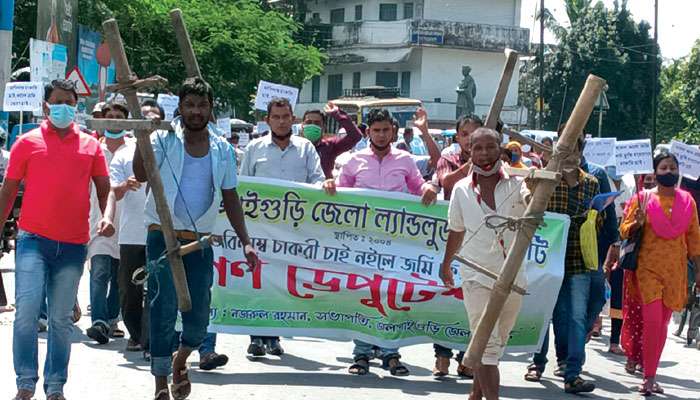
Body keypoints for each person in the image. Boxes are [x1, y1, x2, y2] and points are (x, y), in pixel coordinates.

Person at [129, 77, 258, 400]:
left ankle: (181, 360)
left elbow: (230, 197)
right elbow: (142, 174)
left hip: (200, 240)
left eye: (202, 105)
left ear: (210, 109)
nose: (196, 111)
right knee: (162, 306)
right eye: (190, 105)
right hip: (163, 233)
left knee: (199, 312)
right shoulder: (162, 139)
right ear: (181, 108)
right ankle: (160, 379)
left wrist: (246, 241)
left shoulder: (222, 148)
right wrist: (141, 137)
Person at [0, 79, 113, 400]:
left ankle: (55, 387)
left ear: (76, 106)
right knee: (26, 313)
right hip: (33, 240)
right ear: (46, 106)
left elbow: (105, 190)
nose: (63, 107)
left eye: (70, 102)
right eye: (57, 102)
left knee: (61, 320)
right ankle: (24, 383)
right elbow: (8, 191)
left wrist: (106, 216)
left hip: (74, 246)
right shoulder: (26, 142)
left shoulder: (91, 145)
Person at [325, 107, 438, 377]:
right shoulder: (353, 161)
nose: (381, 134)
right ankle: (361, 354)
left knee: (391, 295)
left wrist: (428, 189)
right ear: (368, 132)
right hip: (362, 244)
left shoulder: (406, 159)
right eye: (376, 130)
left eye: (386, 129)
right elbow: (341, 193)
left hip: (396, 243)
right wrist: (330, 185)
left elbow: (416, 186)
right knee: (364, 295)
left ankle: (391, 353)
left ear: (394, 131)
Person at [439, 127, 529, 400]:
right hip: (476, 276)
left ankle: (476, 394)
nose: (485, 154)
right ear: (469, 151)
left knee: (495, 343)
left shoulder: (518, 182)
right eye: (477, 148)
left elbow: (532, 202)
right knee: (487, 346)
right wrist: (446, 265)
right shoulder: (461, 189)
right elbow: (456, 230)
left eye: (490, 147)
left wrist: (534, 194)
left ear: (500, 149)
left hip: (513, 277)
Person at [240, 97, 324, 357]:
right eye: (275, 117)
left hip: (293, 231)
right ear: (267, 121)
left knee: (281, 283)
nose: (280, 121)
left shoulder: (306, 148)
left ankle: (274, 336)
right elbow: (242, 186)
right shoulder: (254, 148)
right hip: (260, 229)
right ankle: (256, 337)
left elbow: (317, 181)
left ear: (293, 119)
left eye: (285, 116)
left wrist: (327, 186)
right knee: (258, 281)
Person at [619, 151, 700, 396]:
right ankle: (648, 377)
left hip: (674, 272)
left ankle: (651, 372)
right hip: (647, 269)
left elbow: (695, 240)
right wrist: (637, 222)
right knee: (653, 321)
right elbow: (623, 231)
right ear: (655, 173)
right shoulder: (642, 199)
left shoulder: (688, 201)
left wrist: (698, 272)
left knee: (662, 325)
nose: (669, 172)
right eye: (664, 168)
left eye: (673, 168)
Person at [431, 113, 483, 378]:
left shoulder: (494, 161)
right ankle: (441, 355)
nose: (470, 140)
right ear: (458, 137)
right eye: (466, 135)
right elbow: (446, 182)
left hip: (481, 239)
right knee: (447, 295)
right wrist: (470, 166)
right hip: (452, 234)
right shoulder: (448, 159)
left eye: (476, 135)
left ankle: (467, 357)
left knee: (473, 299)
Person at [85, 100, 131, 345]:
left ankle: (112, 318)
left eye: (118, 117)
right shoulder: (93, 149)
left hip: (128, 224)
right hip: (98, 221)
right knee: (100, 271)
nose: (113, 120)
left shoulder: (134, 150)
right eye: (109, 116)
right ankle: (99, 321)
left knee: (119, 276)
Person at [300, 103, 361, 179]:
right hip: (295, 190)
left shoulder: (330, 146)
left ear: (323, 127)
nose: (312, 126)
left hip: (322, 189)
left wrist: (337, 114)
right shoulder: (293, 145)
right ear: (302, 125)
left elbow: (355, 136)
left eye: (317, 123)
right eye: (308, 122)